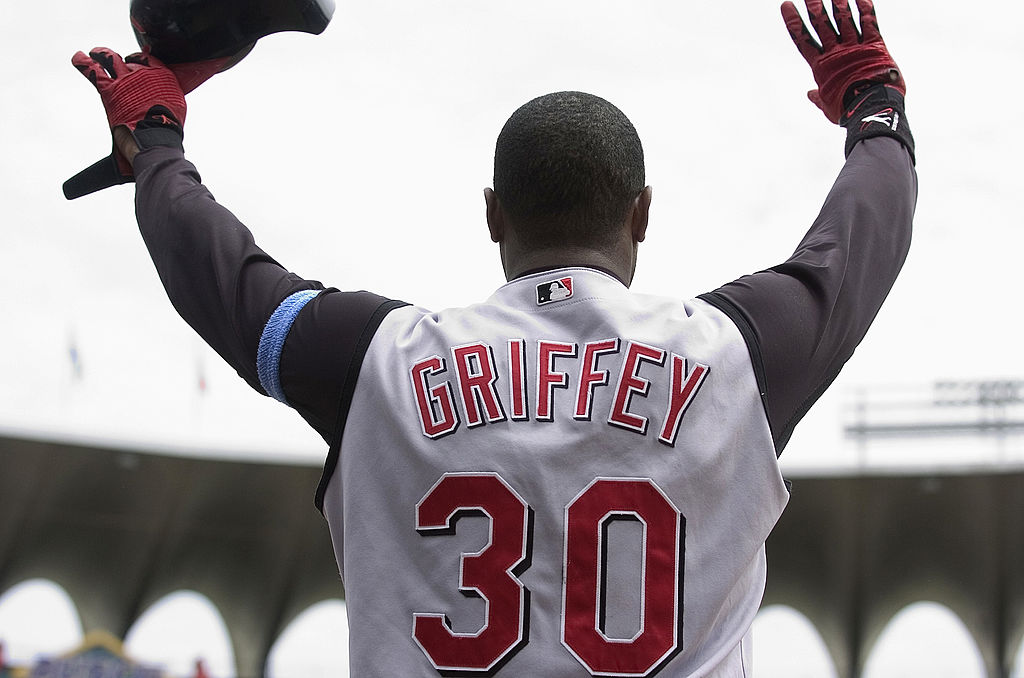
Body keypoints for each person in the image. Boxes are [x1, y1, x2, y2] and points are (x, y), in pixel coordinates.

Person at [72, 0, 916, 674]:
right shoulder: (733, 356)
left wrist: (157, 143)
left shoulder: (381, 361)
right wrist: (874, 109)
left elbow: (221, 280)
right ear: (643, 214)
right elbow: (858, 244)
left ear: (491, 214)